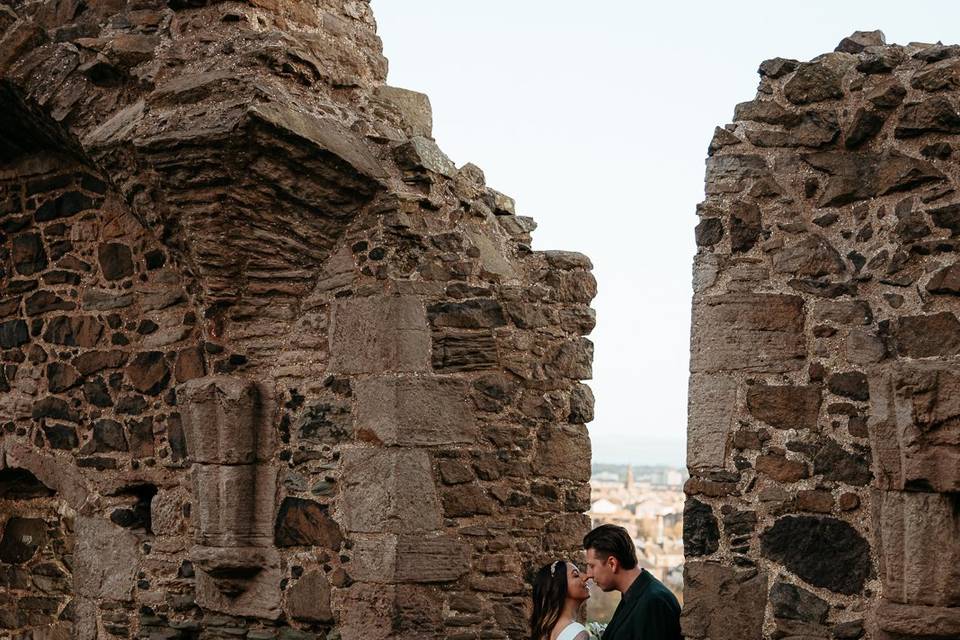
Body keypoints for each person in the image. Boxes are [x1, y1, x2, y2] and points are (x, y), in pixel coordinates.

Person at [583, 524, 682, 640]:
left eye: (592, 566)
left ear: (612, 564)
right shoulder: (635, 595)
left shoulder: (654, 602)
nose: (588, 574)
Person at [531, 559, 591, 640]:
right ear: (560, 588)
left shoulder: (546, 631)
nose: (585, 577)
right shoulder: (577, 633)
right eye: (576, 575)